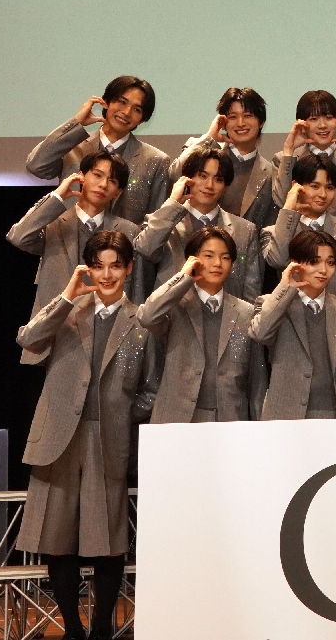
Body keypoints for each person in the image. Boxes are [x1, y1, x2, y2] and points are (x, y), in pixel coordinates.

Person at [15, 231, 154, 640]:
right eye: (98, 266)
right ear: (87, 269)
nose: (106, 274)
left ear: (129, 268)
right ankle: (73, 629)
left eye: (115, 266)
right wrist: (66, 295)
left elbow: (151, 388)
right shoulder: (66, 310)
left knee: (106, 540)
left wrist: (121, 413)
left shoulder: (142, 321)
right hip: (58, 437)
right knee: (57, 540)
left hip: (108, 439)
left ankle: (101, 629)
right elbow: (27, 339)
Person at [7, 151, 141, 364]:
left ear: (118, 192)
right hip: (55, 334)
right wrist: (57, 197)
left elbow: (134, 284)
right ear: (81, 176)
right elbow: (18, 236)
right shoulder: (52, 223)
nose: (103, 184)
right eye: (97, 175)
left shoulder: (128, 231)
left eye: (112, 181)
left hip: (105, 336)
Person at [138, 227, 265, 423]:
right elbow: (147, 317)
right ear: (192, 260)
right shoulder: (175, 307)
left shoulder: (246, 312)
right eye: (209, 255)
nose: (217, 263)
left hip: (229, 421)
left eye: (225, 257)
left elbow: (257, 379)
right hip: (178, 420)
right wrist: (183, 277)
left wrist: (258, 426)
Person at [249, 230, 336, 419]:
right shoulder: (272, 303)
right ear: (295, 263)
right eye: (314, 262)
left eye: (330, 263)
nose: (323, 270)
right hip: (285, 416)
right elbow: (260, 334)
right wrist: (285, 287)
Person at [25, 76, 170, 224]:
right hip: (68, 236)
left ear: (143, 119)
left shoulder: (155, 160)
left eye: (137, 109)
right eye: (122, 102)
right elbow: (36, 165)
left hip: (126, 239)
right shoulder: (73, 146)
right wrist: (77, 122)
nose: (126, 112)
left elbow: (156, 221)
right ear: (105, 102)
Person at [136, 146, 261, 302]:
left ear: (226, 187)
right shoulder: (165, 220)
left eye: (218, 179)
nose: (209, 185)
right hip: (172, 313)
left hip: (225, 314)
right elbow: (145, 249)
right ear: (187, 178)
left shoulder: (245, 230)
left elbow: (251, 293)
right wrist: (173, 203)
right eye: (202, 176)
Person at [261, 153, 336, 302]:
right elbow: (278, 260)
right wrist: (288, 207)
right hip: (293, 315)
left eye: (329, 187)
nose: (323, 194)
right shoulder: (275, 232)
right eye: (315, 186)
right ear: (296, 186)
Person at [166, 87, 277, 227]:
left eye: (248, 115)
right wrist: (209, 137)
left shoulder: (271, 174)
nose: (240, 123)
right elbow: (174, 175)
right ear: (223, 123)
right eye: (233, 117)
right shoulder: (201, 149)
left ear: (261, 122)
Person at [272, 90, 336, 222]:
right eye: (314, 119)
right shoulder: (284, 160)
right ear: (301, 124)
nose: (322, 125)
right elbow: (282, 202)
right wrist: (288, 151)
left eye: (328, 117)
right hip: (298, 233)